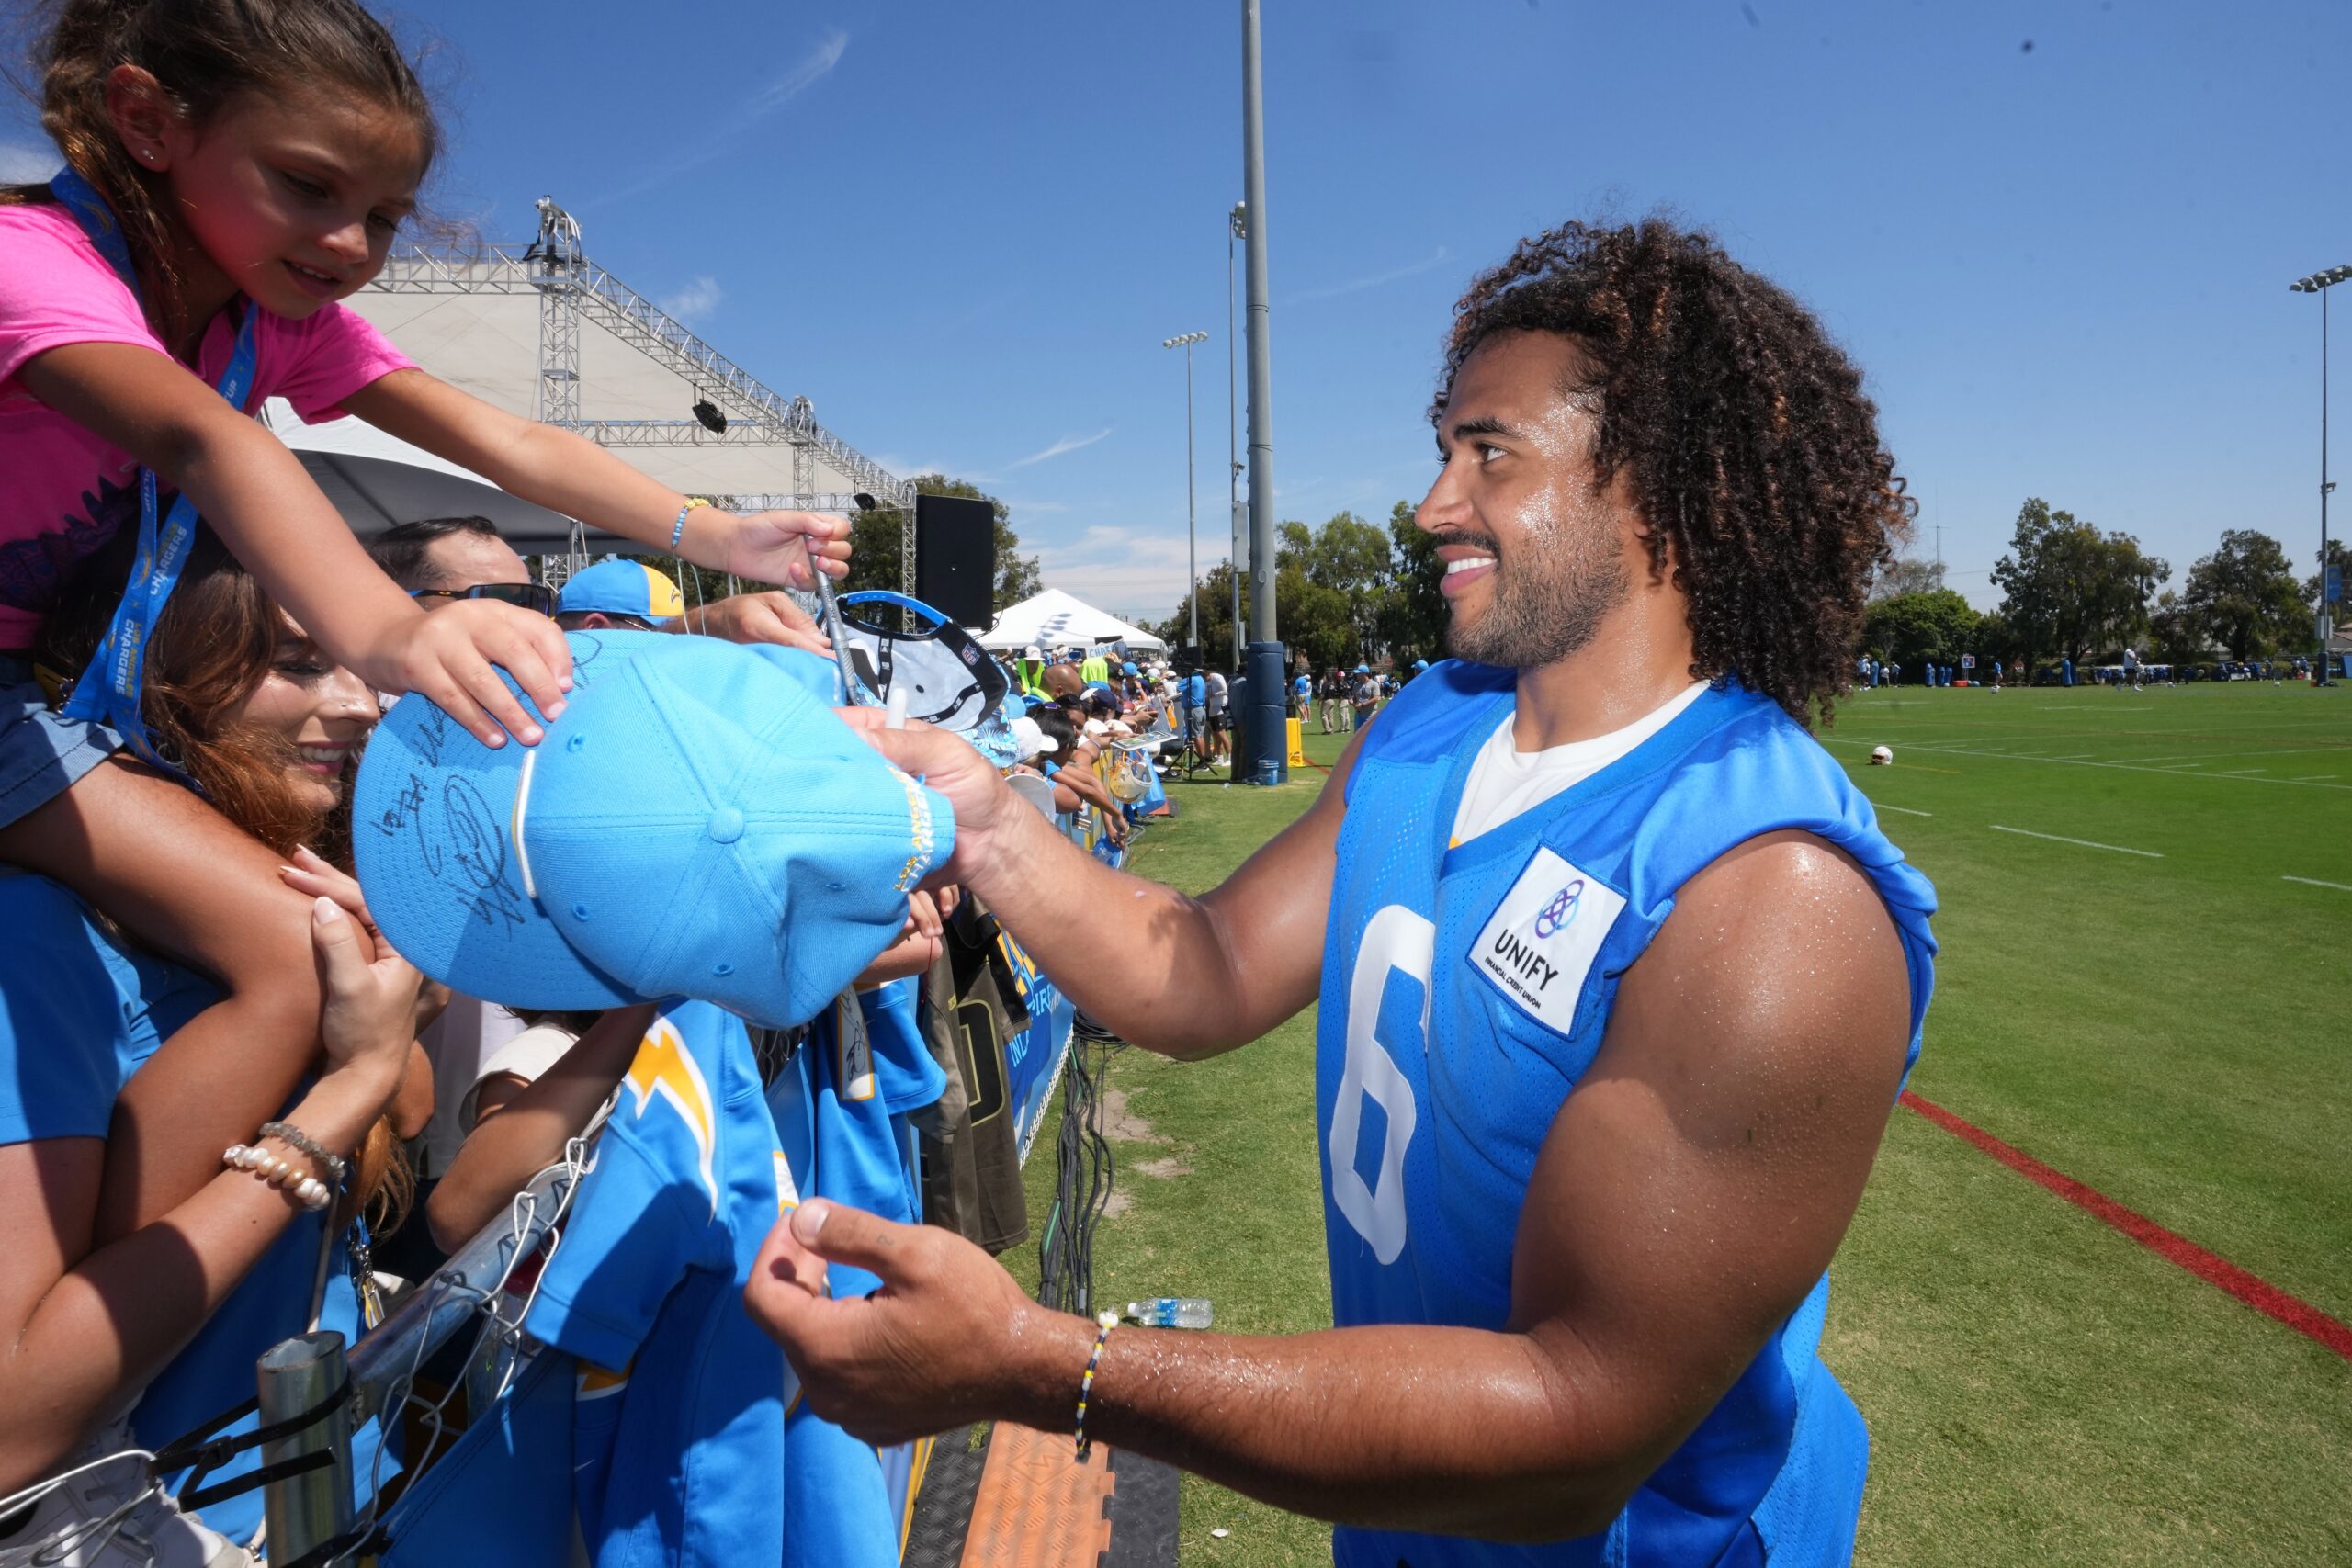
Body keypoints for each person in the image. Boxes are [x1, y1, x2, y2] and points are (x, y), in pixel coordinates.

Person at [750, 218, 1939, 1568]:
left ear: (1656, 492)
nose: (1434, 503)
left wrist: (1044, 1364)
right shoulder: (1430, 724)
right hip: (1408, 1529)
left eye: (1490, 451)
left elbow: (1574, 1429)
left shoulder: (1771, 894)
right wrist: (985, 823)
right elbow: (1201, 966)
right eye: (1444, 448)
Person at [0, 0, 843, 1249]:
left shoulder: (267, 314)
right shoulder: (34, 266)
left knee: (320, 950)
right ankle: (96, 1307)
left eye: (384, 215)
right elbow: (206, 440)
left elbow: (508, 439)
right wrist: (390, 631)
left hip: (44, 704)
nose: (350, 241)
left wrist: (710, 534)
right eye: (308, 186)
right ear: (146, 121)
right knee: (294, 947)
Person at [0, 524, 424, 1555]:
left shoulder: (278, 889)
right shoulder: (29, 936)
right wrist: (339, 1091)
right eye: (295, 663)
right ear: (150, 677)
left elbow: (405, 1119)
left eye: (358, 665)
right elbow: (12, 1425)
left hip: (335, 1494)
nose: (361, 705)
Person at [1204, 665, 1231, 768]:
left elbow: (1225, 691)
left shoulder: (1218, 677)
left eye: (1206, 678)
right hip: (1212, 707)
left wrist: (1214, 695)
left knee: (1221, 733)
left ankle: (1230, 757)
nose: (1206, 681)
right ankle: (1219, 758)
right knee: (1215, 734)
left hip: (1220, 706)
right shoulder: (1206, 682)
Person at [1350, 664, 1380, 729]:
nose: (1356, 674)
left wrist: (1363, 704)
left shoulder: (1374, 684)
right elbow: (1355, 698)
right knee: (1357, 735)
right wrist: (1352, 701)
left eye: (1358, 673)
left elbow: (1376, 698)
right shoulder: (1356, 685)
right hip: (1359, 715)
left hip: (1370, 714)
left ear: (1364, 673)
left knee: (1368, 735)